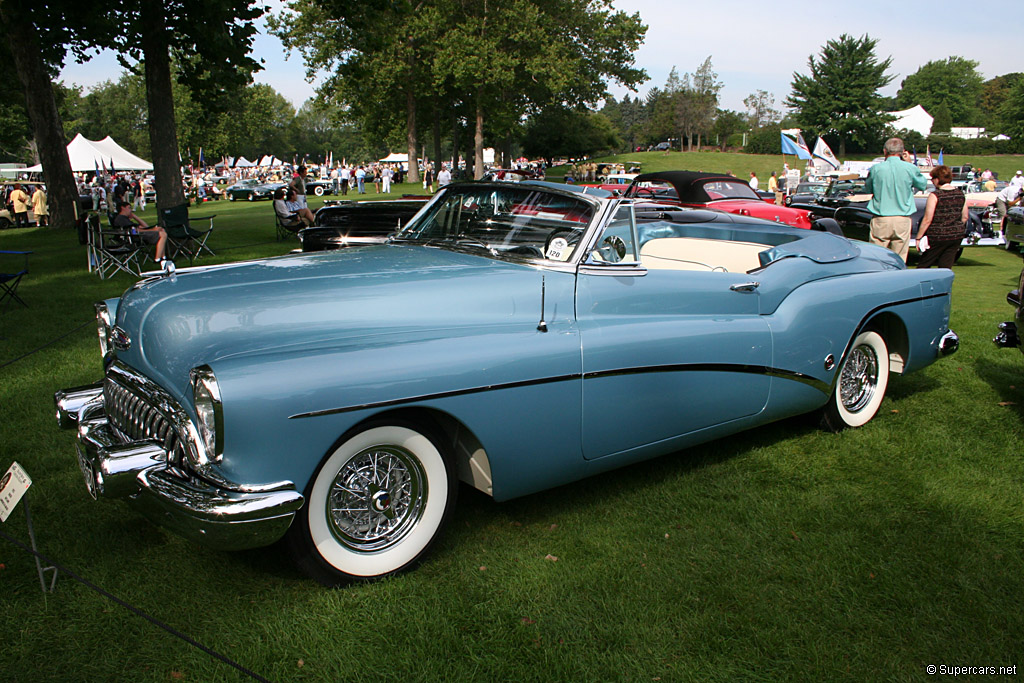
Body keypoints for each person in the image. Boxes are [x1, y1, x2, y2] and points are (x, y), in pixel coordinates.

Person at [864, 137, 927, 262]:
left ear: (885, 151)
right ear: (903, 152)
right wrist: (910, 164)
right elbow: (922, 185)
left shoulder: (876, 169)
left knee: (876, 258)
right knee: (899, 259)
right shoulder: (909, 168)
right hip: (902, 219)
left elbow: (868, 189)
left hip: (881, 218)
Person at [915, 165, 967, 269]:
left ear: (937, 179)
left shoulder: (935, 195)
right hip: (956, 235)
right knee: (946, 266)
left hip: (937, 235)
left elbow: (927, 219)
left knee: (924, 264)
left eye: (933, 179)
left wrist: (918, 237)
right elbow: (965, 217)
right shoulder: (960, 194)